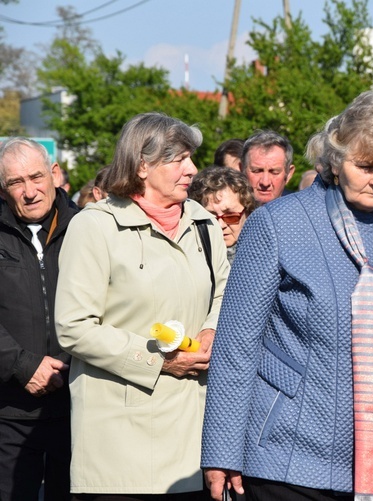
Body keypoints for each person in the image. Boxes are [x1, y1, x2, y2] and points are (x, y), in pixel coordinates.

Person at [201, 90, 373, 501]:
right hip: (284, 456)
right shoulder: (277, 223)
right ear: (334, 161)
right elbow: (237, 345)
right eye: (365, 166)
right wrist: (222, 449)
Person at [55, 112, 230, 499]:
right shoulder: (94, 226)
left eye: (191, 157)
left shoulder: (203, 222)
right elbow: (73, 326)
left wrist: (212, 329)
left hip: (195, 439)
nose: (192, 169)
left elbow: (224, 292)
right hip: (120, 450)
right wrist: (157, 361)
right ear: (142, 165)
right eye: (179, 159)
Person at [0, 137, 78, 501]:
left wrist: (67, 364)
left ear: (55, 174)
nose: (29, 191)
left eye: (36, 177)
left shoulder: (88, 228)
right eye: (16, 182)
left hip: (79, 406)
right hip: (9, 412)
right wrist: (22, 364)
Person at [189, 165, 255, 264]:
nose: (220, 225)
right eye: (210, 217)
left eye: (231, 216)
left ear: (248, 213)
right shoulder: (190, 257)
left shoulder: (264, 258)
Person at [241, 130, 295, 205]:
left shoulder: (302, 215)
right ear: (242, 169)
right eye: (257, 171)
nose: (265, 182)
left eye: (274, 172)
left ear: (289, 174)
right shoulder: (225, 213)